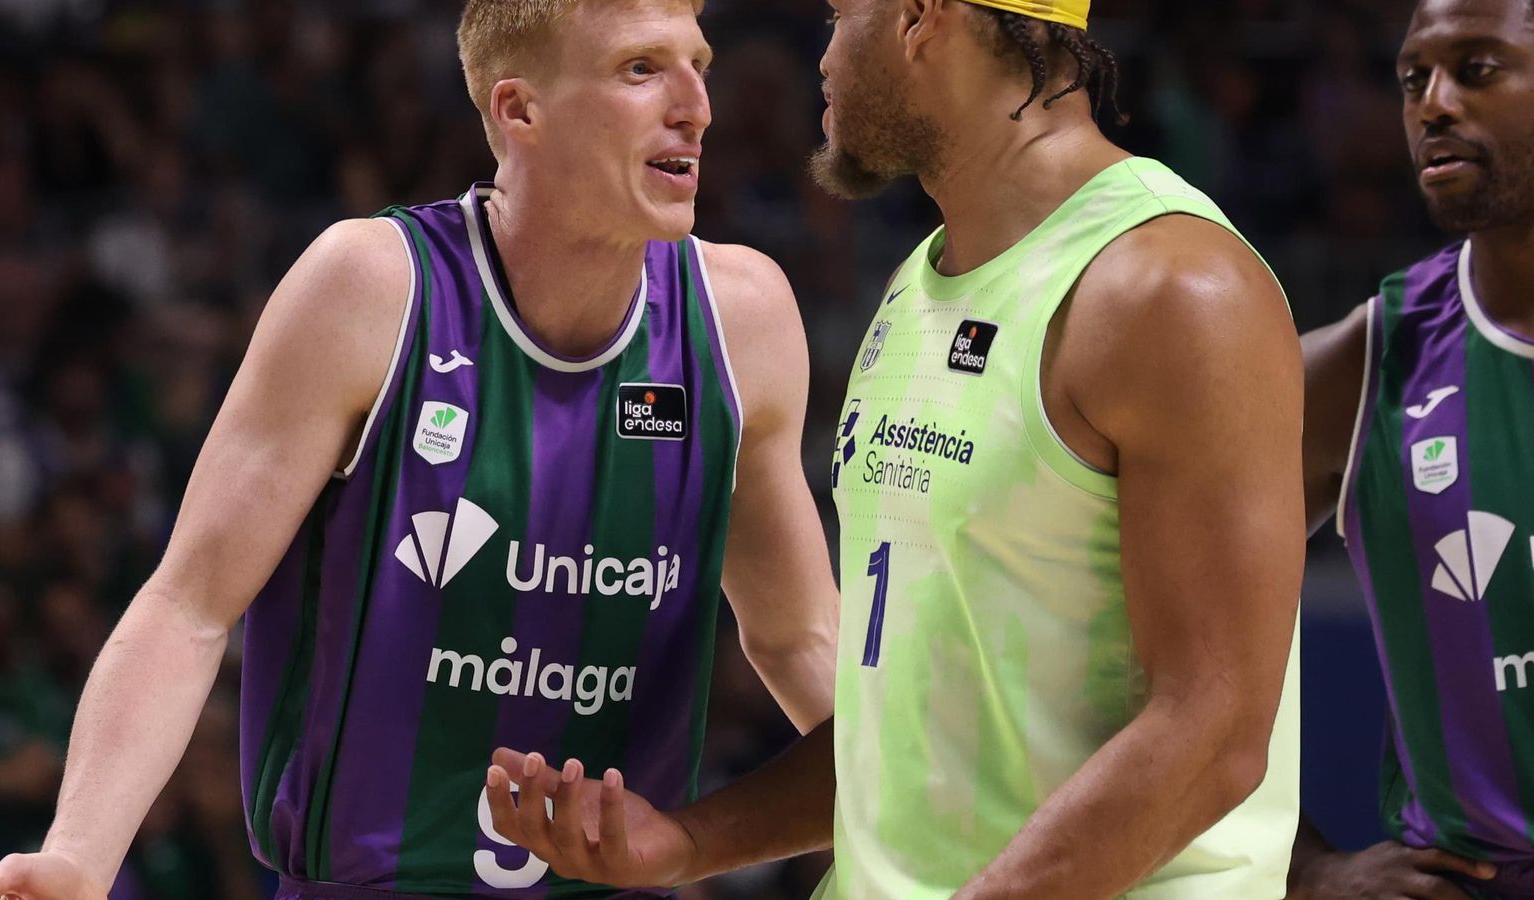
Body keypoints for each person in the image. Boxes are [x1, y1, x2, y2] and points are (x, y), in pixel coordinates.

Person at [0, 0, 841, 897]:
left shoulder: (743, 319)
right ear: (518, 110)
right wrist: (79, 854)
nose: (697, 106)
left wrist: (941, 817)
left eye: (699, 64)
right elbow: (190, 607)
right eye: (642, 69)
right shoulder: (370, 288)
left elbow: (797, 636)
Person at [482, 0, 1306, 897]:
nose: (825, 54)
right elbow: (903, 717)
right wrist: (685, 843)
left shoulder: (1173, 288)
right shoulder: (923, 280)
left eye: (841, 14)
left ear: (920, 19)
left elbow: (1215, 733)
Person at [1291, 1, 1534, 898]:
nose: (1431, 104)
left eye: (1476, 69)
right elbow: (1137, 635)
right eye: (1412, 79)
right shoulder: (1363, 362)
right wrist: (1307, 869)